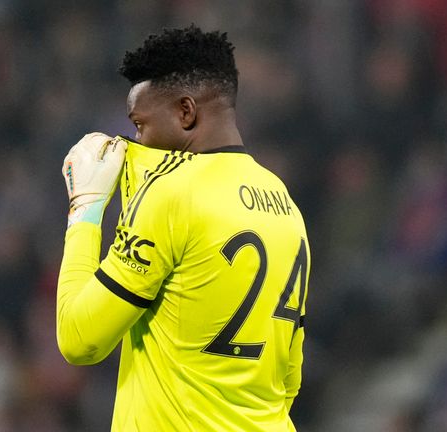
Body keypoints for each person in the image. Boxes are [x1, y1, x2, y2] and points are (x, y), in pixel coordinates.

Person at [57, 25, 310, 431]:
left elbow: (79, 338)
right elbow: (289, 376)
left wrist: (84, 210)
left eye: (140, 125)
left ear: (186, 112)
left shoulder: (170, 194)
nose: (136, 141)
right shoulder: (284, 203)